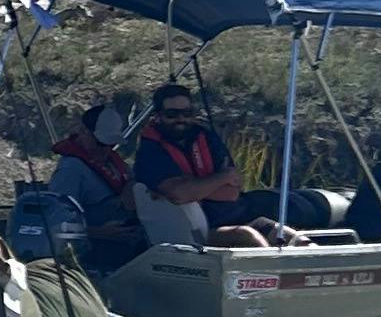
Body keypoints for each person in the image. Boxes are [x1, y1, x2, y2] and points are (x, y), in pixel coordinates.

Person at [128, 80, 274, 250]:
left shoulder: (206, 136)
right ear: (157, 116)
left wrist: (195, 188)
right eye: (171, 114)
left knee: (284, 233)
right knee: (247, 236)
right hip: (194, 233)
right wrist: (221, 178)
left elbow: (231, 192)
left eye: (187, 113)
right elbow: (180, 194)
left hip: (231, 214)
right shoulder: (150, 151)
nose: (180, 119)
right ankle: (274, 273)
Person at [46, 105, 136, 247]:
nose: (106, 149)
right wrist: (100, 233)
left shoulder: (115, 163)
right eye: (101, 142)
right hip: (94, 254)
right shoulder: (71, 170)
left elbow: (135, 182)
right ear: (83, 132)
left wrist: (129, 189)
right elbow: (56, 224)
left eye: (112, 144)